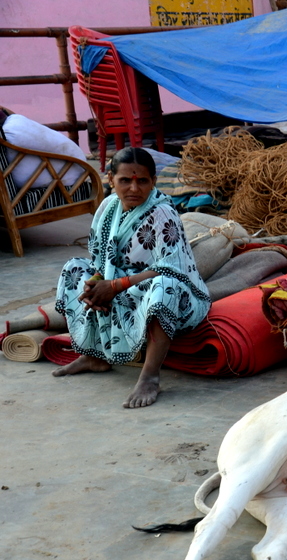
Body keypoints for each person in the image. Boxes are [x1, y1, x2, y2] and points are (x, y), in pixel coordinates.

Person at [53, 147, 211, 408]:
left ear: (153, 182)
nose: (134, 188)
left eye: (142, 181)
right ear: (111, 179)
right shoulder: (107, 206)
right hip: (120, 286)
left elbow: (171, 269)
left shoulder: (162, 213)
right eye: (125, 180)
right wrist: (97, 281)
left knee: (165, 287)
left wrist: (114, 285)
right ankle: (95, 356)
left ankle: (150, 376)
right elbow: (98, 255)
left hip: (163, 291)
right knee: (74, 269)